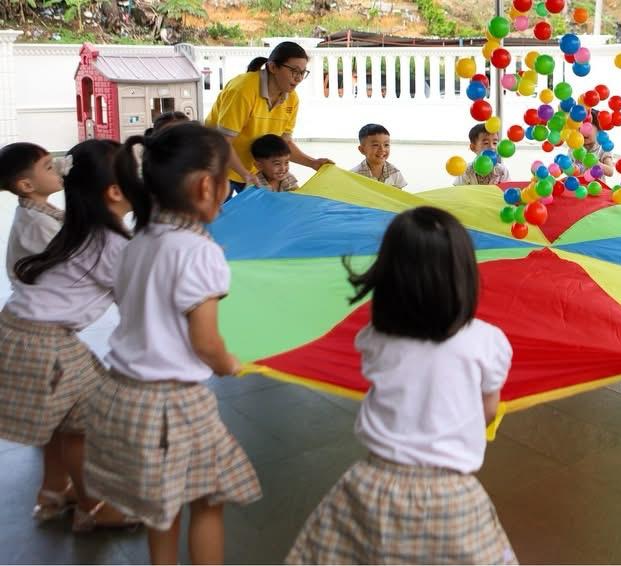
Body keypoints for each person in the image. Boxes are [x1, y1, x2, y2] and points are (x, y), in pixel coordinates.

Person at [287, 207, 516, 564]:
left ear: (389, 277)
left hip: (374, 484)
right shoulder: (489, 342)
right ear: (464, 276)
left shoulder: (374, 338)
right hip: (452, 494)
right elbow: (486, 410)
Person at [83, 124, 261, 565]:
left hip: (120, 392)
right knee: (206, 499)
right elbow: (205, 342)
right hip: (172, 405)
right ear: (207, 186)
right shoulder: (199, 251)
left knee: (160, 509)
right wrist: (227, 363)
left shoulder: (137, 241)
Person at [0, 140, 139, 531]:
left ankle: (54, 492)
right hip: (43, 341)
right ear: (115, 192)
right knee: (88, 419)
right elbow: (139, 308)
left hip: (22, 330)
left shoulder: (77, 225)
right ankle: (95, 510)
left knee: (69, 418)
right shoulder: (110, 243)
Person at [204, 41, 332, 195]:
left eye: (303, 73)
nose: (298, 78)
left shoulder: (291, 98)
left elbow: (284, 143)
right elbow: (222, 142)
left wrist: (313, 163)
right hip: (218, 168)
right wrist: (245, 174)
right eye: (294, 71)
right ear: (272, 67)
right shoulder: (242, 90)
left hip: (252, 172)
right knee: (218, 217)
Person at [1, 142, 63, 281]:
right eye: (49, 167)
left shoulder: (39, 211)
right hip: (41, 295)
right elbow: (66, 263)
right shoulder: (39, 223)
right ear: (27, 185)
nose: (58, 169)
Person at [350, 123, 406, 189]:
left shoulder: (395, 172)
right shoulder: (354, 175)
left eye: (386, 145)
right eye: (375, 145)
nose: (382, 149)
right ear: (362, 150)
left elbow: (399, 197)